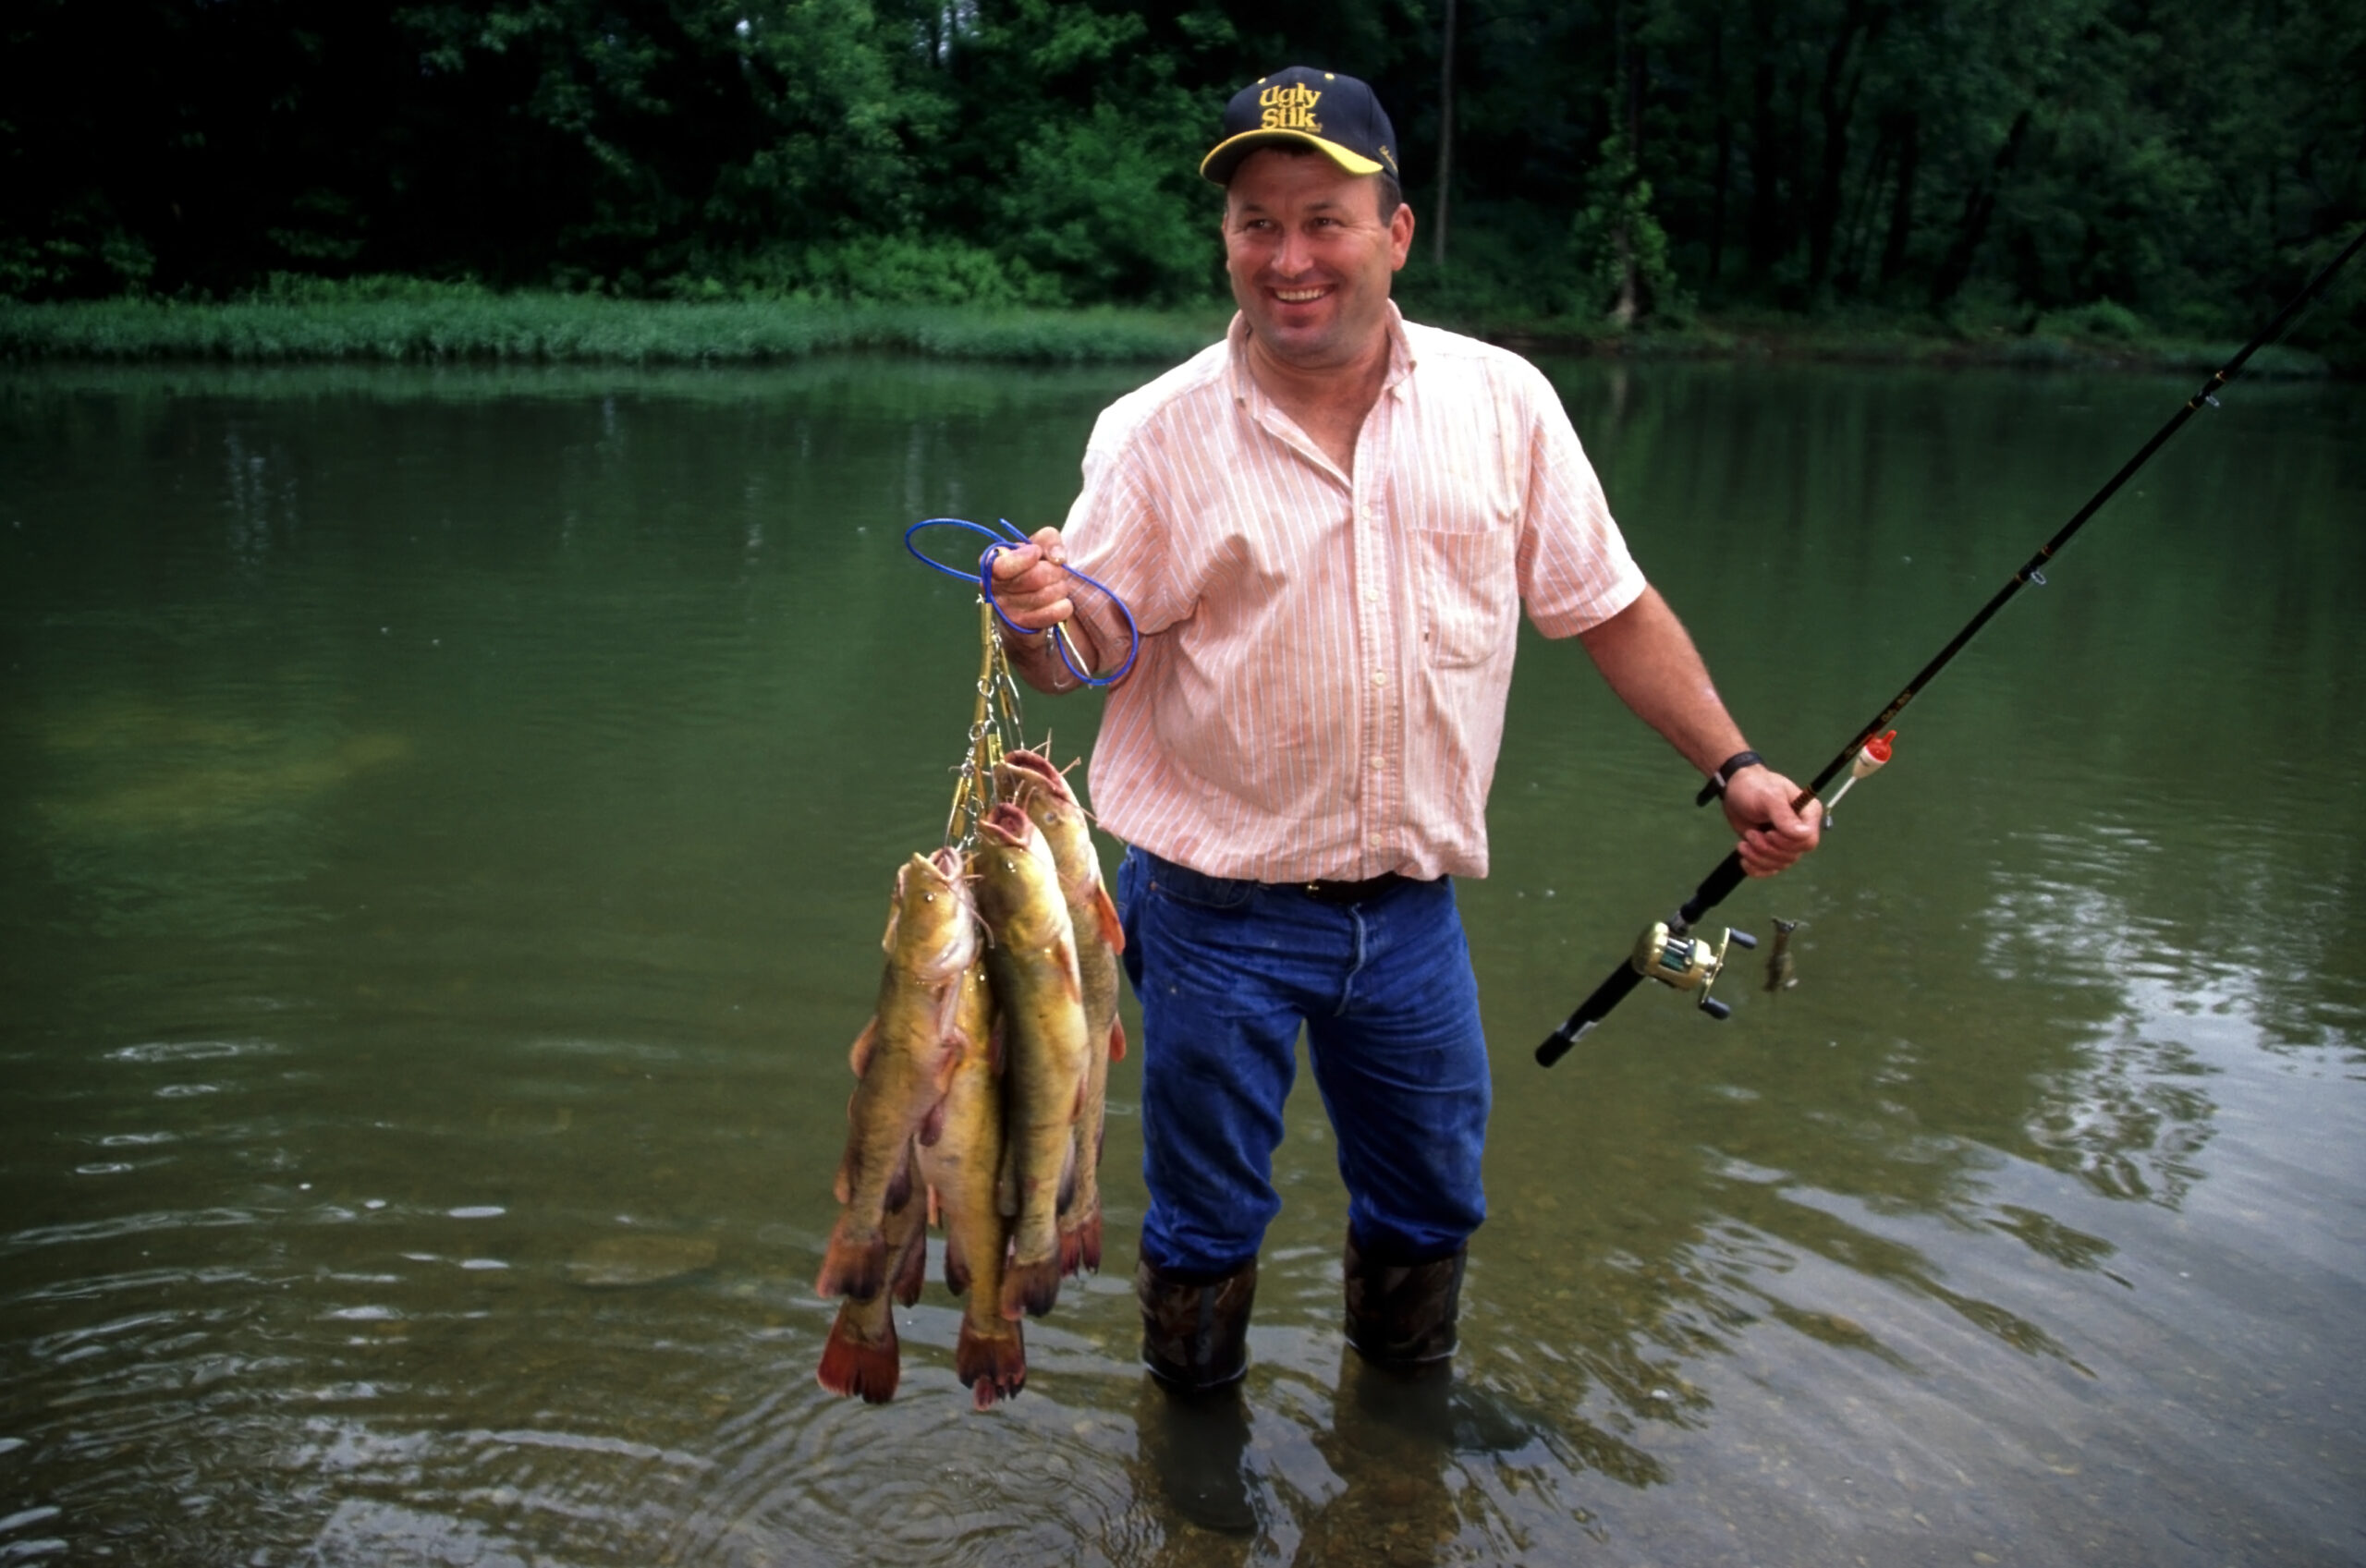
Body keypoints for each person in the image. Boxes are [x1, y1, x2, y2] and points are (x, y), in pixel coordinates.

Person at [989, 67, 1821, 1396]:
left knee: (1433, 1199)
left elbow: (1607, 605)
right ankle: (1192, 1465)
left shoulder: (1503, 405)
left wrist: (1734, 765)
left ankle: (1399, 1437)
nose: (1290, 256)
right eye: (1257, 222)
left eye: (1324, 217)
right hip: (1211, 915)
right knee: (1205, 1221)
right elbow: (1073, 653)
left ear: (1398, 233)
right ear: (1227, 243)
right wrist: (1029, 615)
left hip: (1414, 915)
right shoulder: (1152, 436)